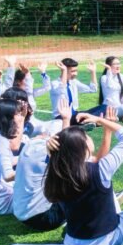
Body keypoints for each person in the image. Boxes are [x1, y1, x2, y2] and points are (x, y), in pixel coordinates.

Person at [42, 114, 123, 245]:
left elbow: (64, 154)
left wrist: (106, 130)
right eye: (86, 136)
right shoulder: (101, 169)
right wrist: (101, 120)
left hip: (72, 240)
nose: (90, 137)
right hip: (107, 239)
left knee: (104, 189)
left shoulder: (56, 170)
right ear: (83, 146)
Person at [11, 98, 77, 231]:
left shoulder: (28, 146)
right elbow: (65, 149)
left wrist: (65, 120)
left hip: (20, 213)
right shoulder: (46, 156)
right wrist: (66, 119)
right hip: (44, 219)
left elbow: (61, 145)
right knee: (76, 177)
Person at [49, 58, 99, 123]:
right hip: (61, 117)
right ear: (64, 70)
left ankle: (85, 122)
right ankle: (85, 123)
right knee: (88, 118)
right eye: (72, 71)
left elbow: (93, 89)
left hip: (75, 114)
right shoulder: (54, 84)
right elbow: (62, 89)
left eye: (76, 71)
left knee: (104, 108)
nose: (75, 74)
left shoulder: (74, 82)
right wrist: (64, 70)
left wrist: (93, 72)